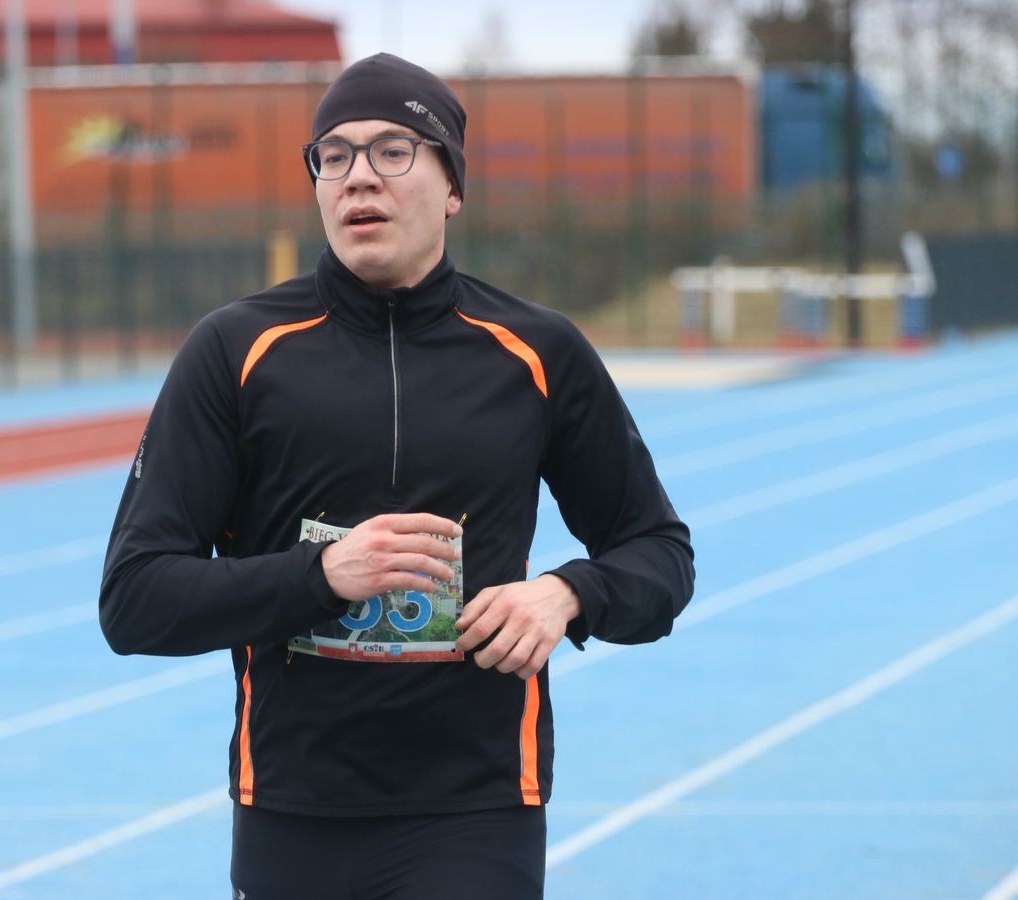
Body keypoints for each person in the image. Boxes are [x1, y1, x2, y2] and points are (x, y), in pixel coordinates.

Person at [99, 53, 694, 900]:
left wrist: (567, 595)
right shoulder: (234, 352)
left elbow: (659, 554)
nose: (358, 176)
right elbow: (134, 599)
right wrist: (321, 576)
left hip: (477, 808)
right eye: (333, 155)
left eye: (392, 150)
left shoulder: (538, 353)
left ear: (453, 185)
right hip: (293, 808)